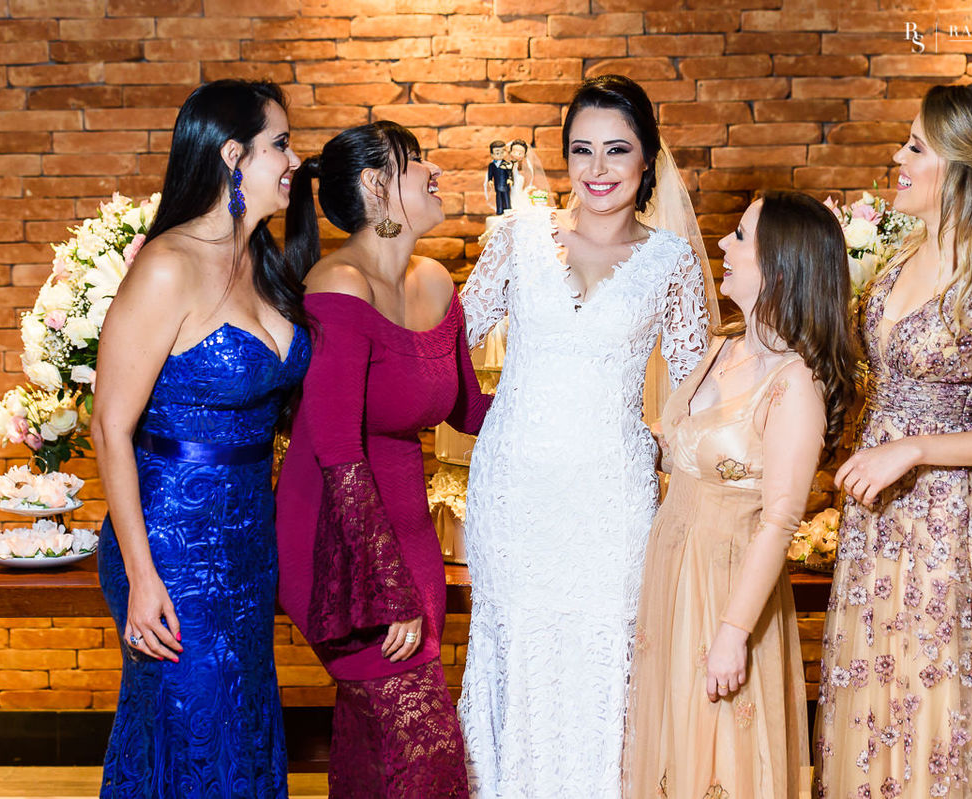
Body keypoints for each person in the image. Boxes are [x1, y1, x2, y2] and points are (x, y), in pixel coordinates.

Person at [458, 74, 717, 798]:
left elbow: (698, 390)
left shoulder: (670, 264)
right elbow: (446, 343)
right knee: (516, 657)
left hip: (612, 503)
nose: (597, 171)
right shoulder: (518, 239)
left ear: (647, 160)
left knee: (605, 663)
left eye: (616, 151)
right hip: (515, 495)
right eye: (582, 151)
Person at [813, 82, 972, 798]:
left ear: (964, 167)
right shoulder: (896, 261)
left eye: (916, 147)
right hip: (879, 526)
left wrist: (915, 449)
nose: (899, 156)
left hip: (952, 531)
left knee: (935, 713)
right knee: (875, 704)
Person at [92, 79, 308, 798]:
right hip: (171, 547)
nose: (292, 159)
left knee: (244, 729)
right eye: (280, 143)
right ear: (231, 155)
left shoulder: (263, 264)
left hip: (248, 544)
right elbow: (110, 426)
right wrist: (142, 574)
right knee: (194, 731)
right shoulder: (167, 265)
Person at [276, 120, 490, 798]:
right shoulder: (338, 288)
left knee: (376, 753)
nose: (434, 170)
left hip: (411, 536)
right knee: (426, 751)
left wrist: (581, 404)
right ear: (377, 186)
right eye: (415, 162)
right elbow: (337, 449)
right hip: (341, 548)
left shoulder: (435, 282)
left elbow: (470, 409)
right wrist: (388, 589)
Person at [623, 191, 858, 799]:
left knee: (721, 750)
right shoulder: (721, 347)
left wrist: (732, 631)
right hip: (673, 573)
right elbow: (680, 445)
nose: (723, 247)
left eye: (741, 237)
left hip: (728, 587)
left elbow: (780, 521)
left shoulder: (796, 383)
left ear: (780, 265)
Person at [485, 140, 513, 215]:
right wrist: (490, 180)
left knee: (506, 196)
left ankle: (508, 209)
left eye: (503, 152)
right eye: (497, 153)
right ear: (492, 154)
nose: (500, 154)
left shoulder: (507, 164)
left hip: (505, 183)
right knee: (499, 197)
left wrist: (510, 179)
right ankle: (499, 210)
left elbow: (509, 172)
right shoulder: (491, 165)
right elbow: (490, 173)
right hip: (497, 184)